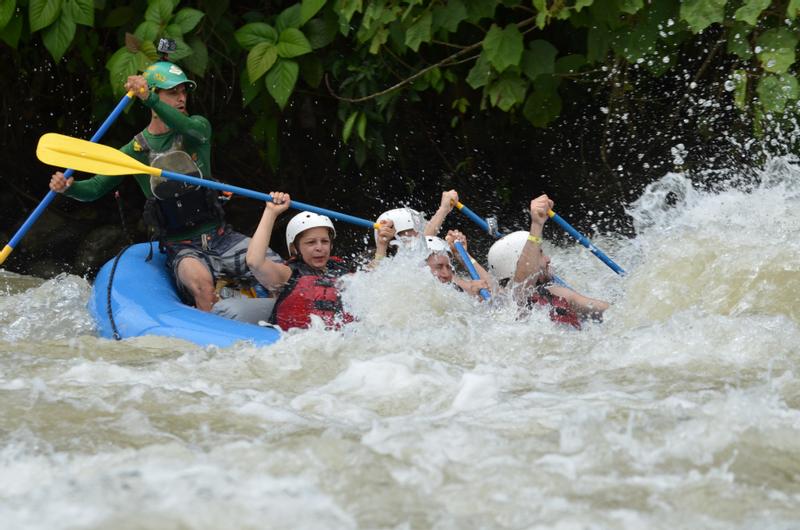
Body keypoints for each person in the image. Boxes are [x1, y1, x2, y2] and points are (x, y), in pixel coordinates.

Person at [48, 60, 280, 320]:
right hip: (182, 248)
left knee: (277, 274)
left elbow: (187, 125)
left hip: (222, 237)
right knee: (202, 284)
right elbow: (94, 189)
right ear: (154, 96)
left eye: (183, 92)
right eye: (172, 93)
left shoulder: (197, 129)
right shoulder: (135, 152)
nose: (182, 98)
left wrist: (150, 99)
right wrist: (68, 188)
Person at [247, 192, 389, 331]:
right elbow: (255, 261)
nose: (319, 248)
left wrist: (382, 246)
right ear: (294, 248)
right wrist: (271, 212)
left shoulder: (341, 269)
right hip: (292, 344)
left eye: (325, 241)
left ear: (331, 245)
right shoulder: (287, 275)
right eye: (311, 242)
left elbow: (373, 282)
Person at [487, 194, 609, 329]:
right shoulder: (513, 300)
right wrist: (537, 225)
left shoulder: (553, 294)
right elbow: (521, 285)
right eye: (540, 253)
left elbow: (609, 311)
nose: (548, 259)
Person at [425, 231, 490, 299]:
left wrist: (462, 255)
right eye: (439, 267)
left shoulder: (451, 285)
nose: (446, 273)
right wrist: (471, 287)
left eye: (448, 267)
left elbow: (493, 291)